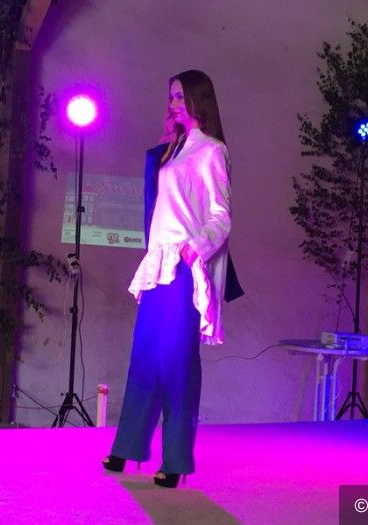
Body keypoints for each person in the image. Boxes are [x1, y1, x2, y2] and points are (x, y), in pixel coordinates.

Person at [103, 70, 239, 488]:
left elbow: (221, 215)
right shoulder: (173, 149)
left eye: (180, 96)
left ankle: (176, 459)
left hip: (183, 266)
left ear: (198, 98)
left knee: (178, 361)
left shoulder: (212, 150)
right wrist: (167, 142)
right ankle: (128, 446)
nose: (173, 103)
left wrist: (194, 248)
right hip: (158, 264)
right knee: (145, 355)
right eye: (171, 97)